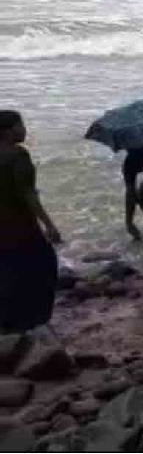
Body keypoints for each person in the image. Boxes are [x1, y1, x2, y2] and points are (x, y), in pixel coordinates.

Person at [0, 111, 62, 334]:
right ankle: (35, 324)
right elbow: (28, 195)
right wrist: (49, 225)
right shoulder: (17, 155)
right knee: (44, 267)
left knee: (8, 274)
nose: (24, 129)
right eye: (20, 125)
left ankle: (8, 325)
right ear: (7, 131)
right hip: (21, 227)